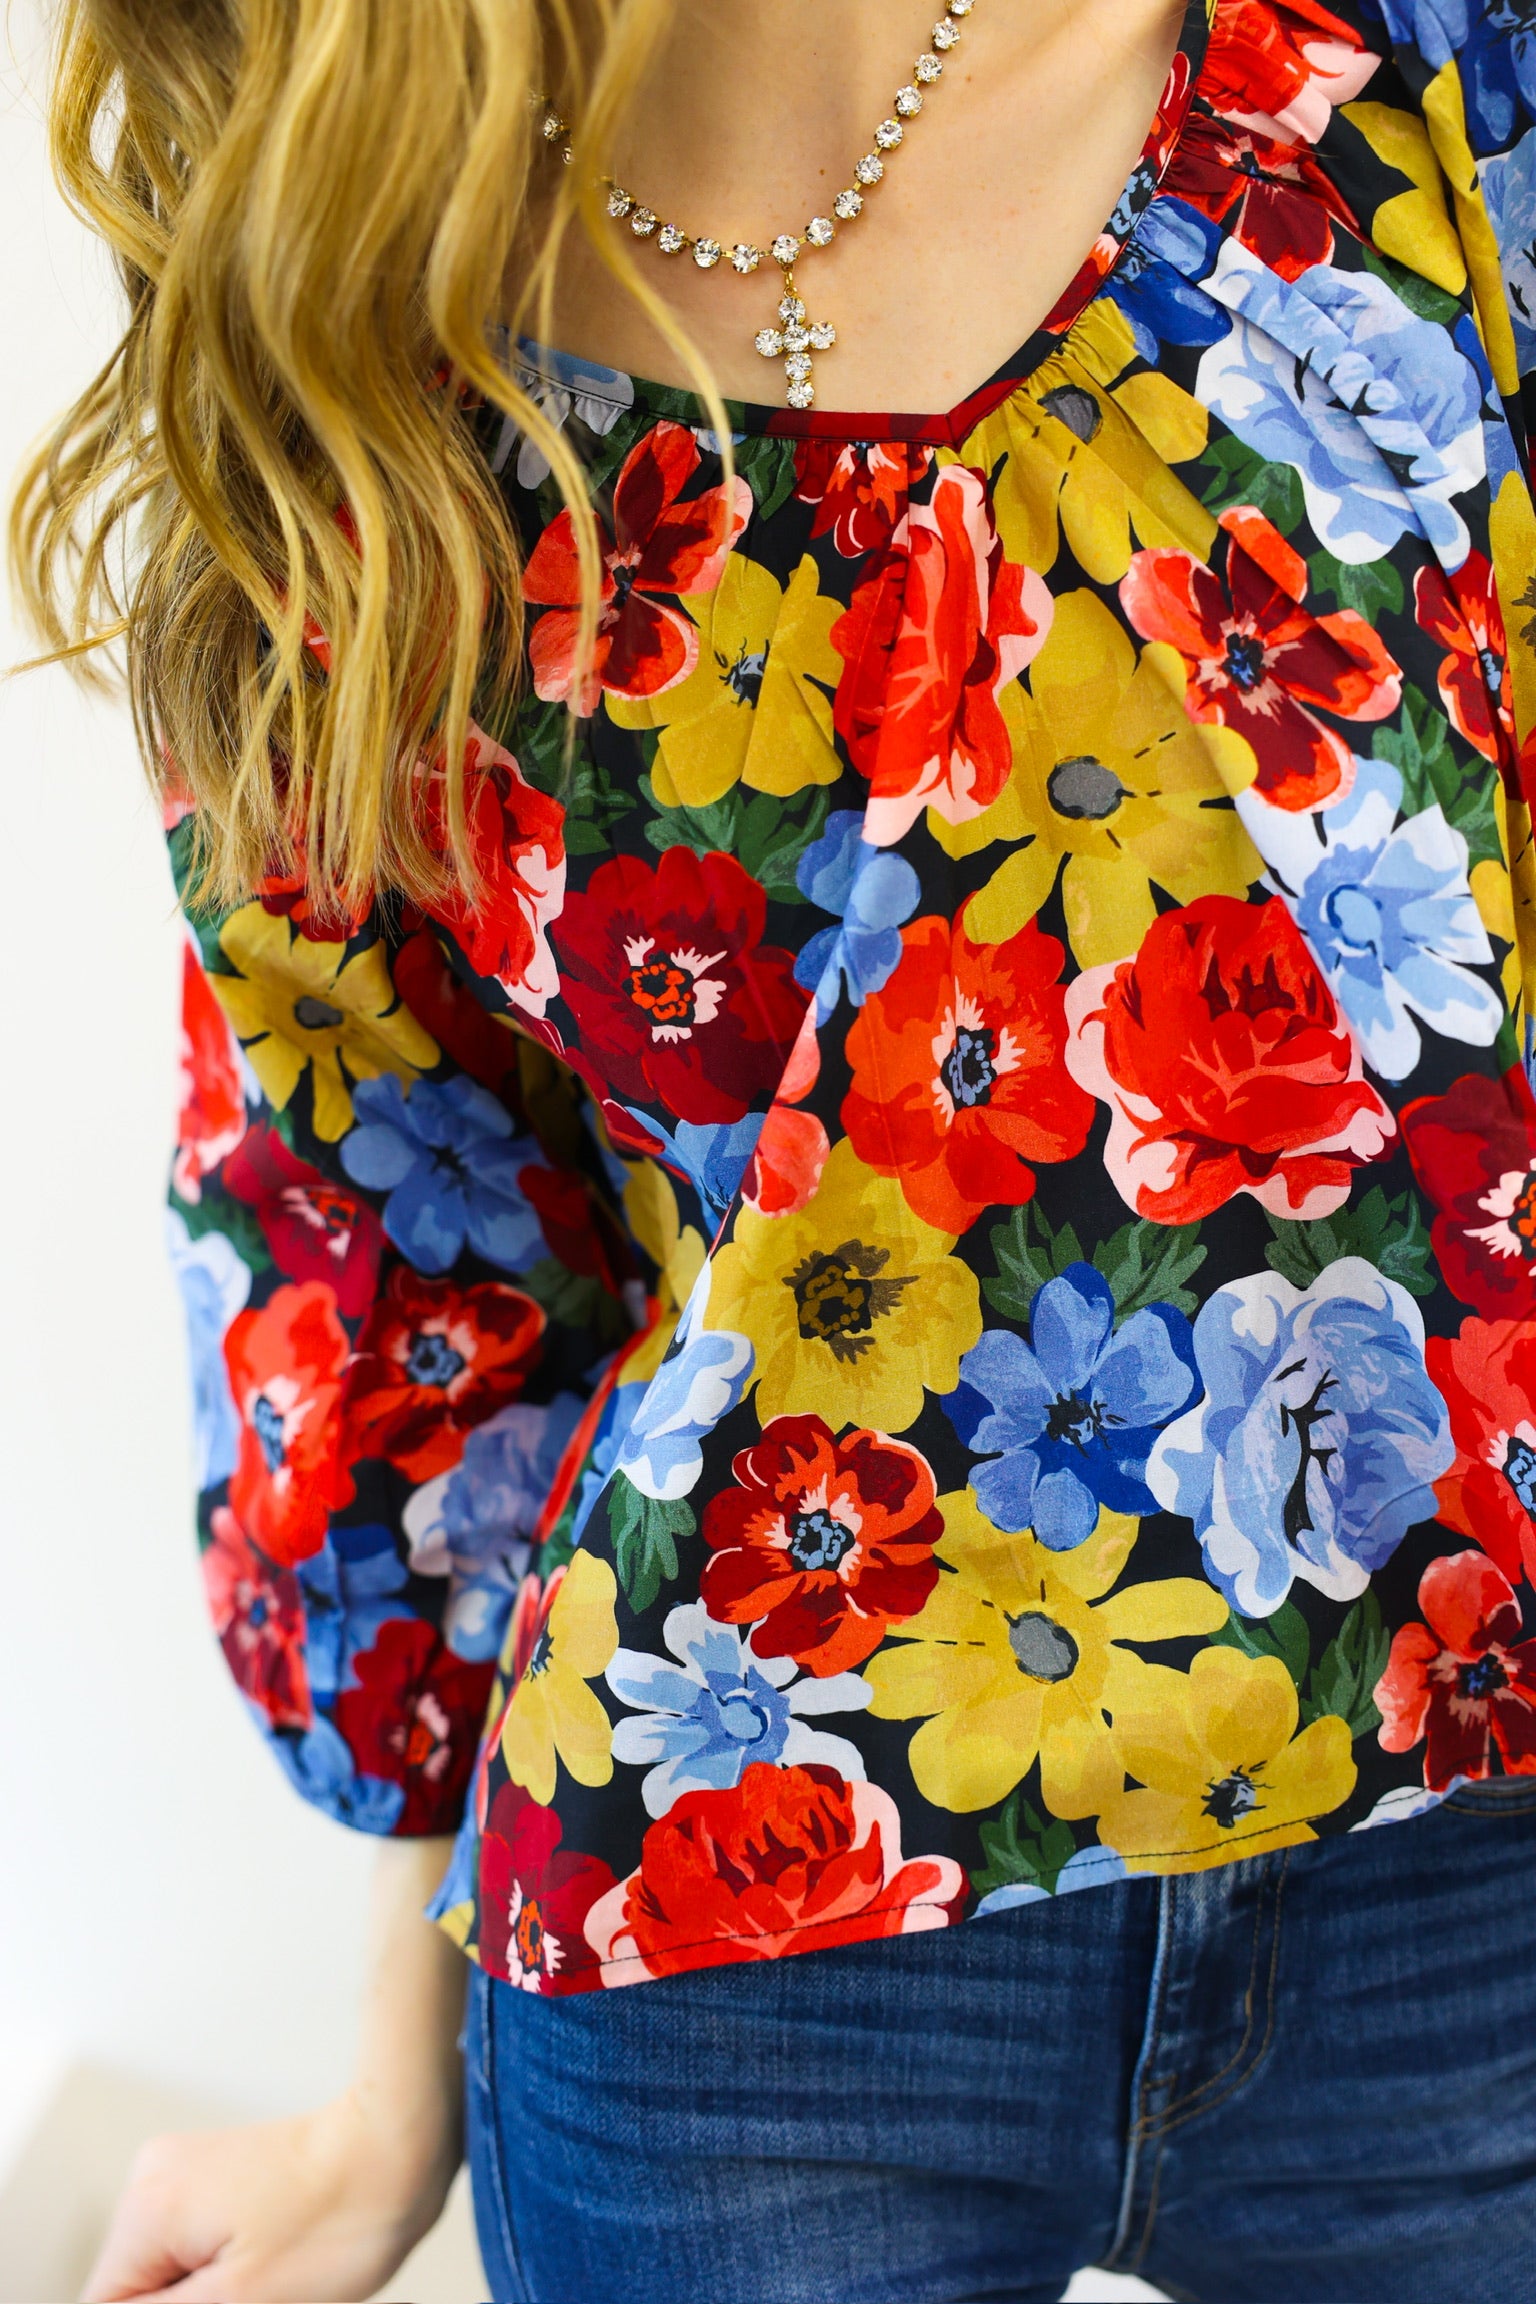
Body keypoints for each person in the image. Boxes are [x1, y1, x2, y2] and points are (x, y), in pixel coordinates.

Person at [15, 0, 1536, 2295]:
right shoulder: (358, 291)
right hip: (736, 1974)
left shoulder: (1420, 74)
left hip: (1484, 1888)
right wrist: (380, 2087)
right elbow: (394, 1229)